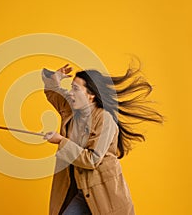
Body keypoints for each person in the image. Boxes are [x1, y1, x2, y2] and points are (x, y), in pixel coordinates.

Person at [42, 64, 163, 215]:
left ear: (90, 95)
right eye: (71, 87)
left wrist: (61, 141)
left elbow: (92, 159)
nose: (70, 93)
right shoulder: (70, 109)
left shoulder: (104, 119)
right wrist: (54, 80)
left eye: (76, 89)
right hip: (81, 193)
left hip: (105, 196)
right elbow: (52, 93)